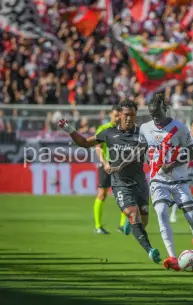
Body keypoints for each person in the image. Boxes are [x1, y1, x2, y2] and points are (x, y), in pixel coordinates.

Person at [108, 94, 193, 271]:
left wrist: (172, 164)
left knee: (192, 219)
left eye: (157, 114)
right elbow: (139, 150)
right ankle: (172, 257)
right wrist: (119, 166)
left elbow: (192, 154)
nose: (154, 117)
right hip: (157, 180)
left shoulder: (180, 128)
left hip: (180, 179)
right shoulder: (145, 129)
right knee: (162, 213)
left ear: (165, 109)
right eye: (151, 114)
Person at [58, 100, 161, 264]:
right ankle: (150, 250)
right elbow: (85, 143)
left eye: (132, 115)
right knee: (134, 215)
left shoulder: (142, 134)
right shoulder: (108, 133)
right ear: (119, 115)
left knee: (144, 221)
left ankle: (130, 222)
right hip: (120, 183)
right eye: (126, 115)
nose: (129, 118)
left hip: (140, 183)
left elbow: (141, 153)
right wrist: (69, 129)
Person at [94, 105, 127, 234]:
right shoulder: (104, 129)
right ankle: (98, 226)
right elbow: (98, 148)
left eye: (120, 115)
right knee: (102, 195)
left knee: (124, 195)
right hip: (106, 166)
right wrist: (105, 163)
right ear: (111, 115)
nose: (118, 117)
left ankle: (123, 226)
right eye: (115, 115)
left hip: (120, 166)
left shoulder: (124, 129)